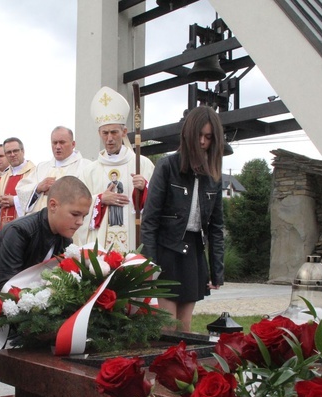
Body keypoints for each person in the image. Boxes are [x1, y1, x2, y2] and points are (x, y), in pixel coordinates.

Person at [141, 106, 225, 332]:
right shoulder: (167, 166)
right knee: (167, 326)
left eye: (208, 137)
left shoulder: (214, 175)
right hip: (167, 250)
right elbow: (150, 219)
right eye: (198, 135)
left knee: (184, 327)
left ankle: (182, 367)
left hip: (194, 252)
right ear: (188, 134)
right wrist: (149, 263)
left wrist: (217, 271)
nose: (202, 141)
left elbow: (217, 227)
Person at [0, 176, 92, 306]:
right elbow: (7, 286)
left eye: (84, 216)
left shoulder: (65, 239)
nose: (80, 222)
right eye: (75, 214)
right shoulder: (20, 231)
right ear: (53, 205)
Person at [77, 86, 153, 252]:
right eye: (105, 133)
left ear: (124, 132)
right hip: (100, 244)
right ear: (99, 133)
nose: (109, 138)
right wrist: (99, 199)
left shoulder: (143, 164)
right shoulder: (89, 171)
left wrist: (145, 188)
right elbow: (77, 207)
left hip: (133, 241)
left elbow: (158, 204)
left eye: (114, 132)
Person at [16, 126, 91, 215]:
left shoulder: (86, 167)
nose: (58, 147)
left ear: (73, 144)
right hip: (40, 223)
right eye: (54, 143)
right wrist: (38, 188)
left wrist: (58, 191)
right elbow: (22, 189)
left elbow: (89, 196)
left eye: (62, 142)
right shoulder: (41, 167)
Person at [0, 137, 35, 234]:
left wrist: (14, 200)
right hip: (4, 229)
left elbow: (36, 198)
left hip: (25, 228)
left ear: (23, 151)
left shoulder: (34, 173)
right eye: (8, 152)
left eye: (15, 151)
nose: (12, 155)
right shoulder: (4, 176)